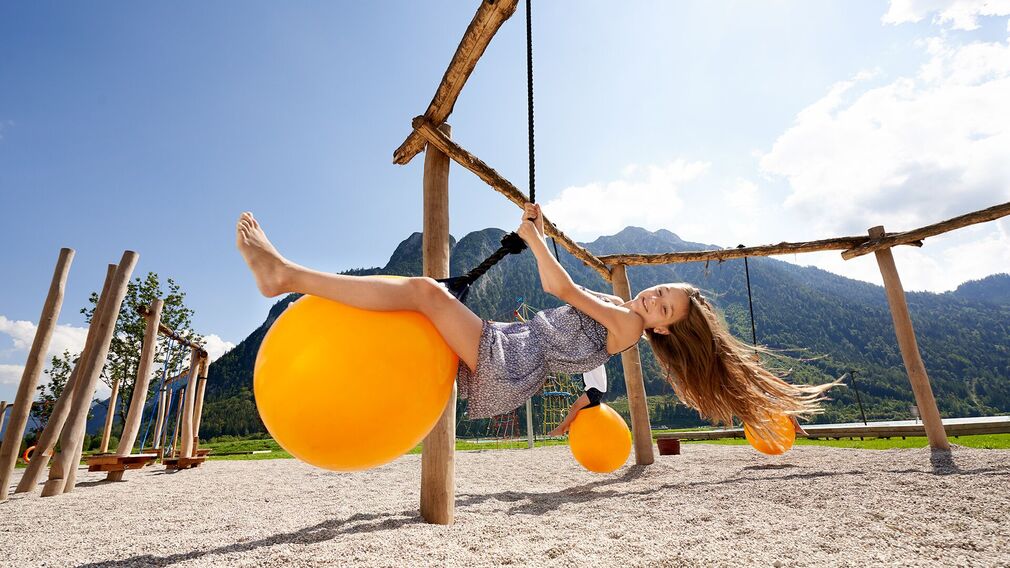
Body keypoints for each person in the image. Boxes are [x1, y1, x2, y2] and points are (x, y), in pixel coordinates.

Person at [236, 204, 834, 438]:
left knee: (421, 291)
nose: (652, 297)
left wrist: (536, 238)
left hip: (509, 361)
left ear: (663, 330)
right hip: (511, 350)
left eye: (664, 307)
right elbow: (565, 299)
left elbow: (559, 285)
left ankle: (285, 276)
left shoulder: (624, 328)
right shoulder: (626, 317)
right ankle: (287, 275)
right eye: (661, 291)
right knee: (418, 293)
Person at [547, 365, 608, 438]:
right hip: (594, 390)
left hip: (595, 390)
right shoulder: (592, 358)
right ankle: (568, 426)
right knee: (579, 410)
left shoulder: (594, 357)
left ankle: (561, 428)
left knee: (575, 406)